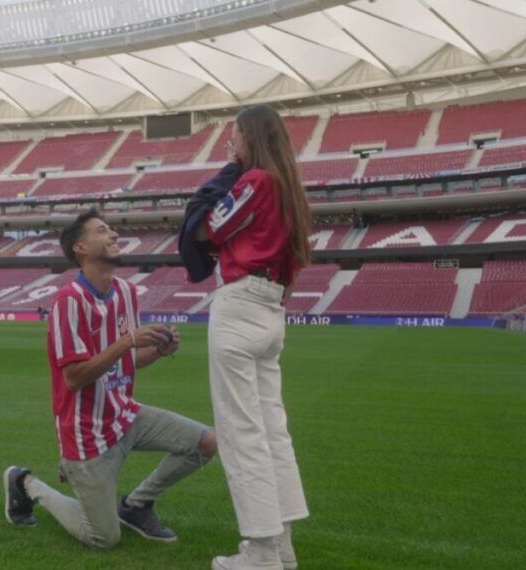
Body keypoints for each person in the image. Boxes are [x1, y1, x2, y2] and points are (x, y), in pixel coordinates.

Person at [3, 208, 217, 550]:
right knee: (103, 537)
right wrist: (127, 341)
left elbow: (126, 363)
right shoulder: (69, 302)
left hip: (125, 415)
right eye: (102, 231)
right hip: (87, 434)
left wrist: (158, 350)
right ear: (81, 248)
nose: (114, 235)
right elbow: (74, 378)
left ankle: (136, 505)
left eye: (112, 230)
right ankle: (26, 484)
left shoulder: (126, 292)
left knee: (206, 442)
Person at [199, 105, 312, 570]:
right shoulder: (291, 188)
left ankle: (262, 552)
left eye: (235, 137)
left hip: (241, 302)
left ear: (253, 137)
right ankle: (281, 547)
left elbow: (213, 228)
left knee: (241, 432)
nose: (232, 145)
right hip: (272, 307)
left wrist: (225, 178)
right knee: (271, 431)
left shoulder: (257, 181)